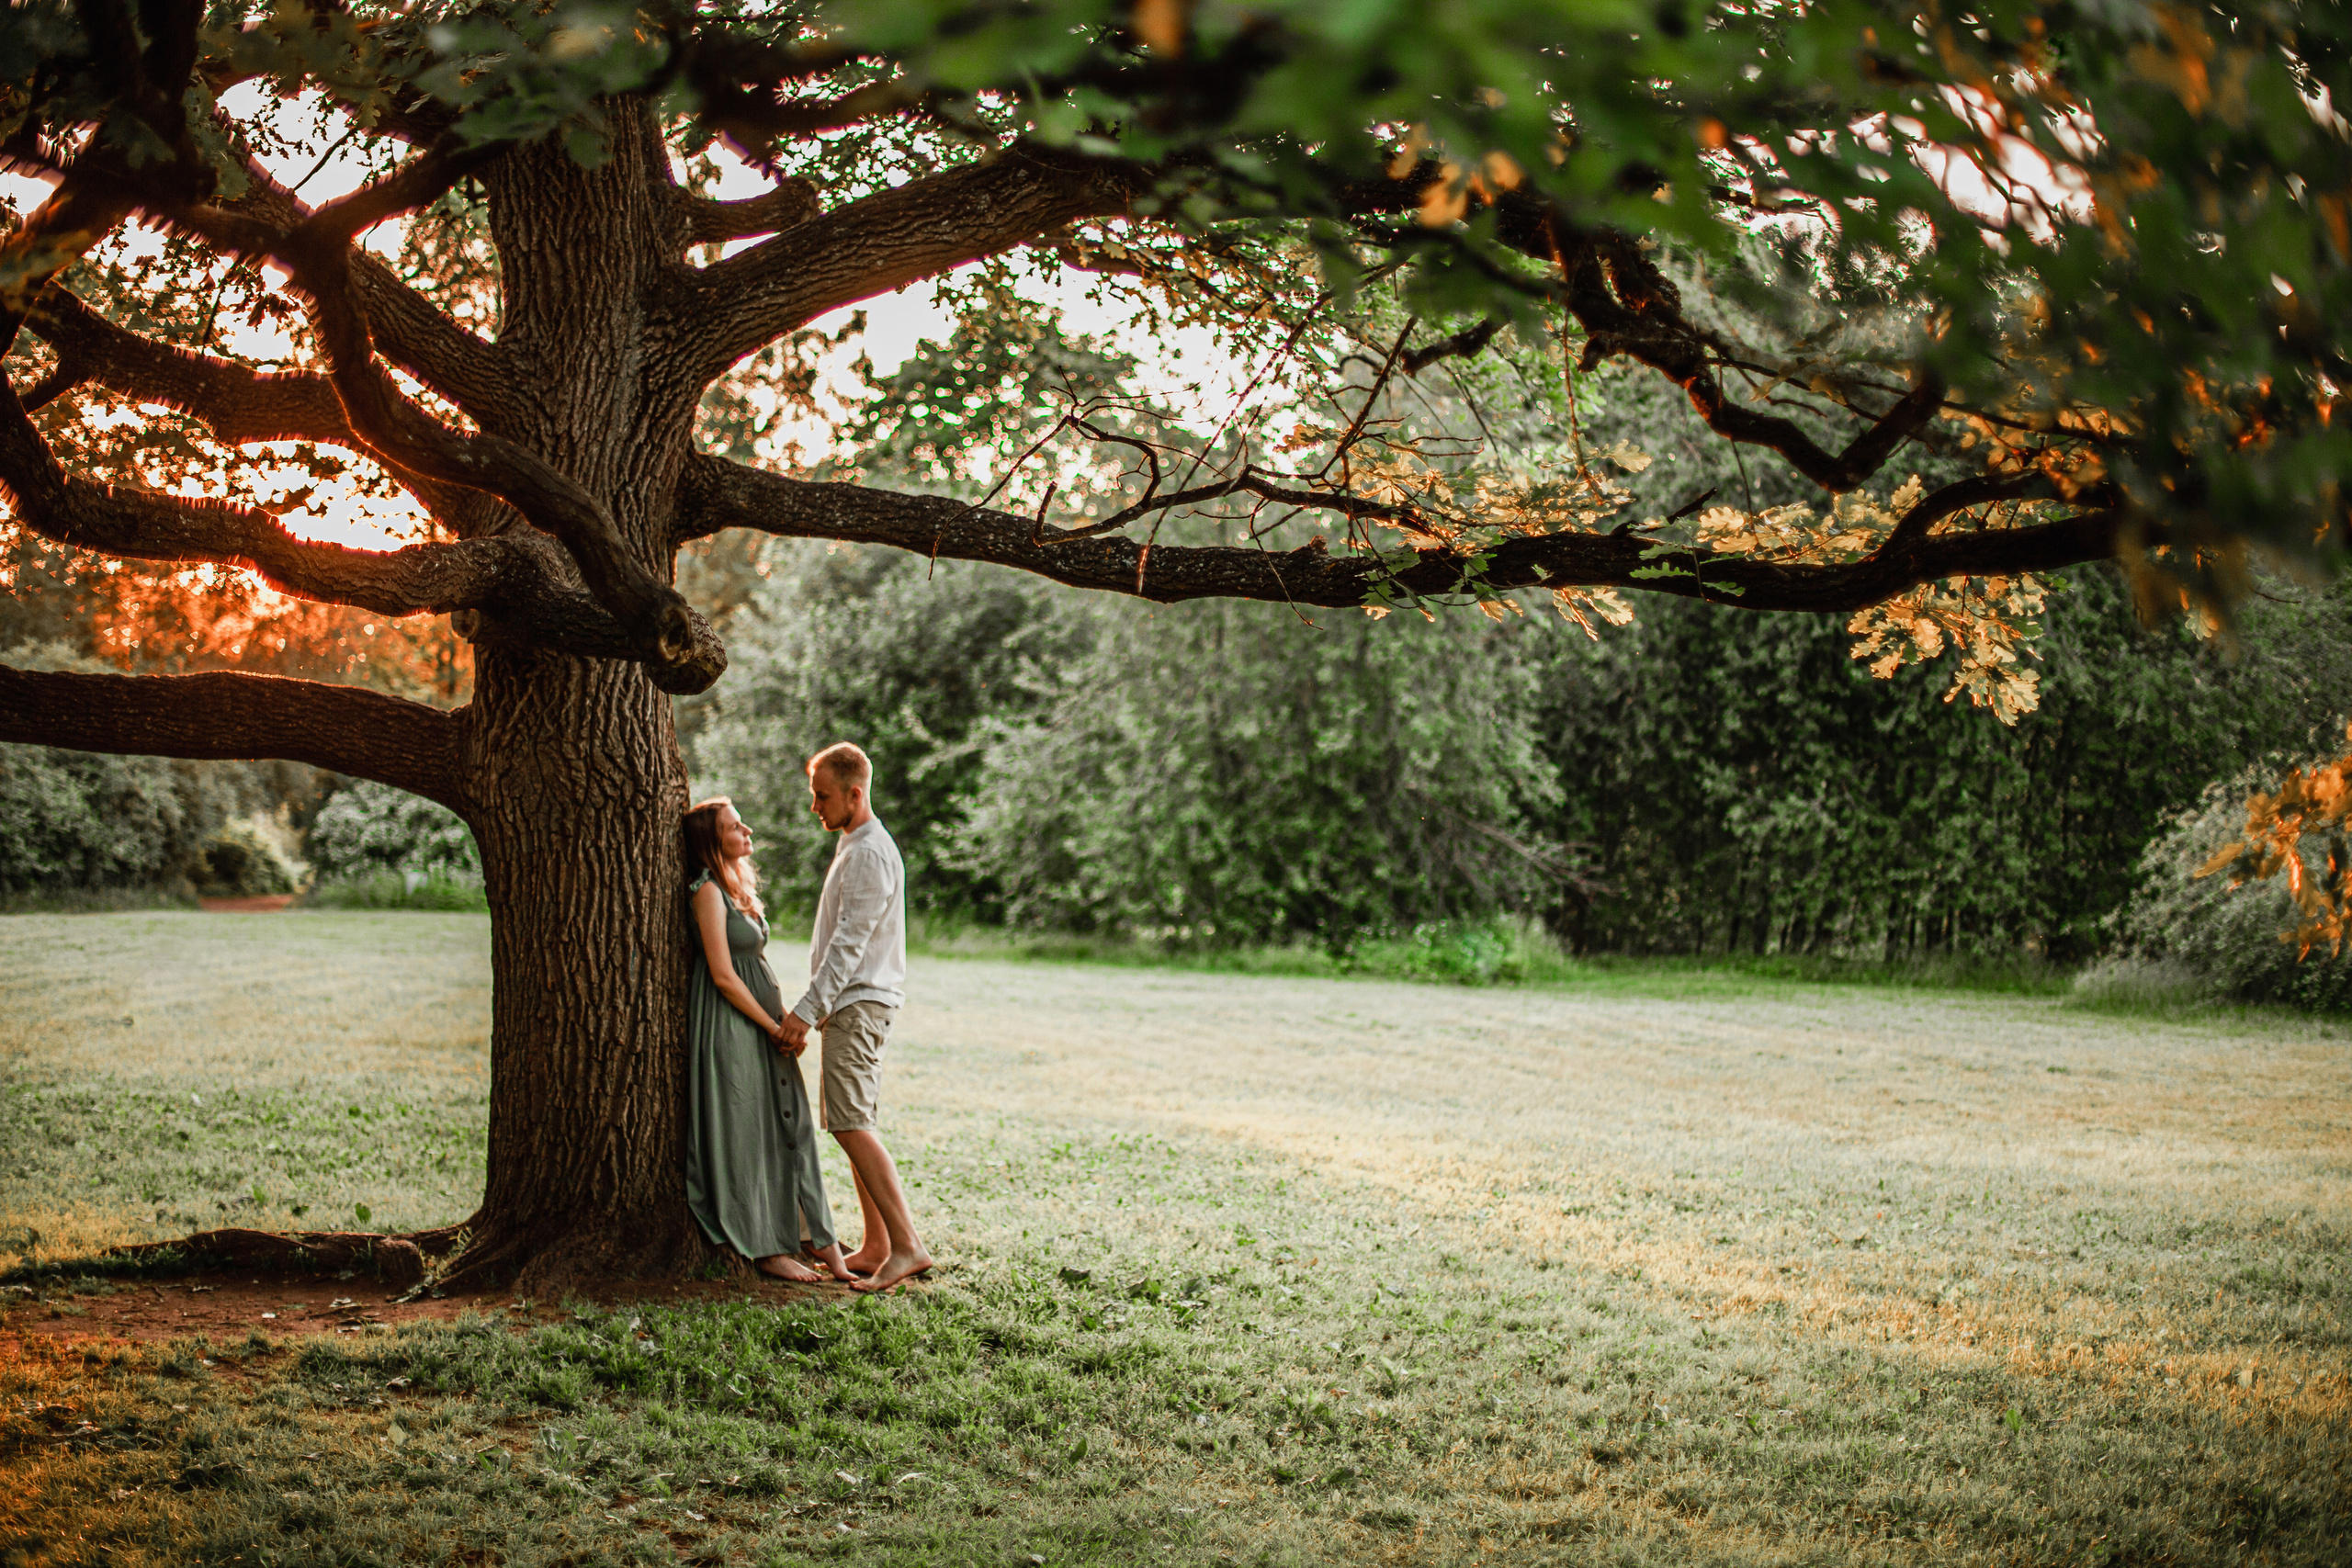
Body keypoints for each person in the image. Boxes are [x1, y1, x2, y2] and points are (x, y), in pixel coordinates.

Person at [778, 742, 933, 1293]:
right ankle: (877, 1246)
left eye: (822, 796)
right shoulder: (855, 843)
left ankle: (907, 1246)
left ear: (854, 793)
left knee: (850, 1124)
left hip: (859, 1003)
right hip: (854, 1004)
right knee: (852, 1122)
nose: (814, 806)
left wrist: (804, 1012)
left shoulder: (868, 851)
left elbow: (849, 944)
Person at [681, 796, 854, 1284]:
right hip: (730, 1024)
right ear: (715, 842)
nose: (748, 830)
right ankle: (763, 1247)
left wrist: (783, 1020)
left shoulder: (737, 888)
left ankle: (815, 1238)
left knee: (789, 1126)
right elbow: (723, 975)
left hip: (762, 1022)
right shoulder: (707, 892)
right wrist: (771, 1024)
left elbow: (754, 967)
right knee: (745, 1133)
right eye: (736, 827)